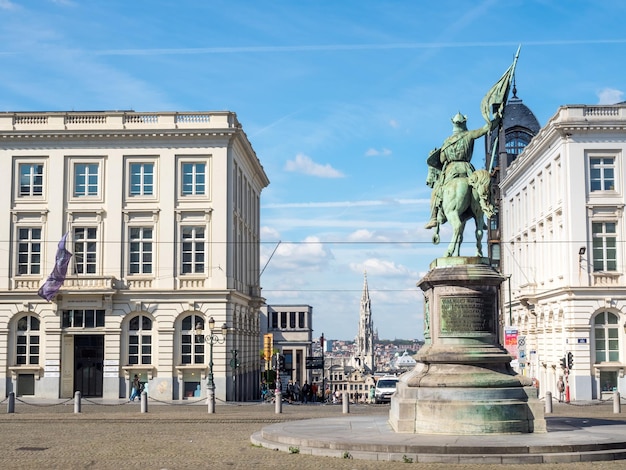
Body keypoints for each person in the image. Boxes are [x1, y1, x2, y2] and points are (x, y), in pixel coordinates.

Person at [424, 112, 500, 229]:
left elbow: (442, 159)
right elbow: (485, 129)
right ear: (464, 123)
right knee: (481, 187)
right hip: (467, 169)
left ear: (453, 124)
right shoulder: (469, 135)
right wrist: (496, 119)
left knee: (436, 191)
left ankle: (433, 217)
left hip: (451, 170)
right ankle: (481, 217)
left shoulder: (446, 142)